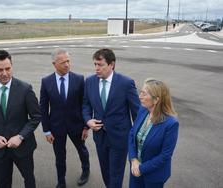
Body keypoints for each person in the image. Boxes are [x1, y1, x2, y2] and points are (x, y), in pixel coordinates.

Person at [0, 50, 41, 188]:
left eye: (8, 68)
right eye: (0, 70)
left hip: (23, 147)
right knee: (2, 183)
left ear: (12, 66)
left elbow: (36, 117)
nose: (5, 73)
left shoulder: (25, 89)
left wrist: (20, 136)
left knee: (29, 179)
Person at [83, 48, 140, 188]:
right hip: (100, 137)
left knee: (116, 174)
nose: (96, 68)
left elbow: (137, 113)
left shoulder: (126, 83)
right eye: (95, 64)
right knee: (105, 172)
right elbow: (85, 105)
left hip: (120, 138)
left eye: (100, 65)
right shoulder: (89, 81)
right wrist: (88, 120)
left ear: (111, 64)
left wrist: (135, 139)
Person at [40, 48, 90, 188]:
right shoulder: (46, 81)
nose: (67, 65)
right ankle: (61, 181)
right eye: (63, 62)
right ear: (54, 64)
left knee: (82, 151)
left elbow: (85, 104)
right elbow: (43, 108)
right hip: (56, 127)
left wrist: (86, 126)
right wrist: (46, 130)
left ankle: (86, 171)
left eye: (68, 61)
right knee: (60, 157)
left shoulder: (79, 79)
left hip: (77, 125)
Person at [128, 78, 179, 188]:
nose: (139, 96)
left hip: (154, 176)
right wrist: (133, 159)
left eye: (144, 94)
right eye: (140, 92)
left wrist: (141, 168)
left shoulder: (171, 123)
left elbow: (165, 155)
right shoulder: (143, 110)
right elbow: (132, 134)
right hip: (135, 169)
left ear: (156, 100)